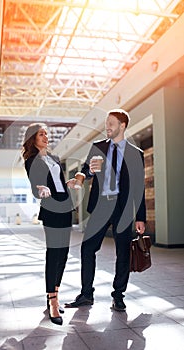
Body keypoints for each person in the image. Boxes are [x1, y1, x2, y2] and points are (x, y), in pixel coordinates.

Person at [65, 108, 146, 312]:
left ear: (122, 125)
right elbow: (86, 170)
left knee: (123, 254)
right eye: (106, 122)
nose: (106, 126)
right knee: (87, 249)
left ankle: (118, 296)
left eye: (111, 123)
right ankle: (86, 294)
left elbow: (138, 188)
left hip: (123, 208)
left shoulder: (136, 154)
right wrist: (85, 173)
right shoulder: (98, 147)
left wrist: (141, 217)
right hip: (101, 205)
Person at [22, 123, 76, 325]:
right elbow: (36, 185)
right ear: (33, 139)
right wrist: (41, 189)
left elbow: (59, 182)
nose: (45, 137)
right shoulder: (31, 161)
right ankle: (52, 302)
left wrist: (67, 184)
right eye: (41, 134)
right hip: (51, 210)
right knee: (53, 253)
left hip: (66, 207)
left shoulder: (54, 158)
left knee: (63, 253)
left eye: (46, 133)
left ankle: (55, 293)